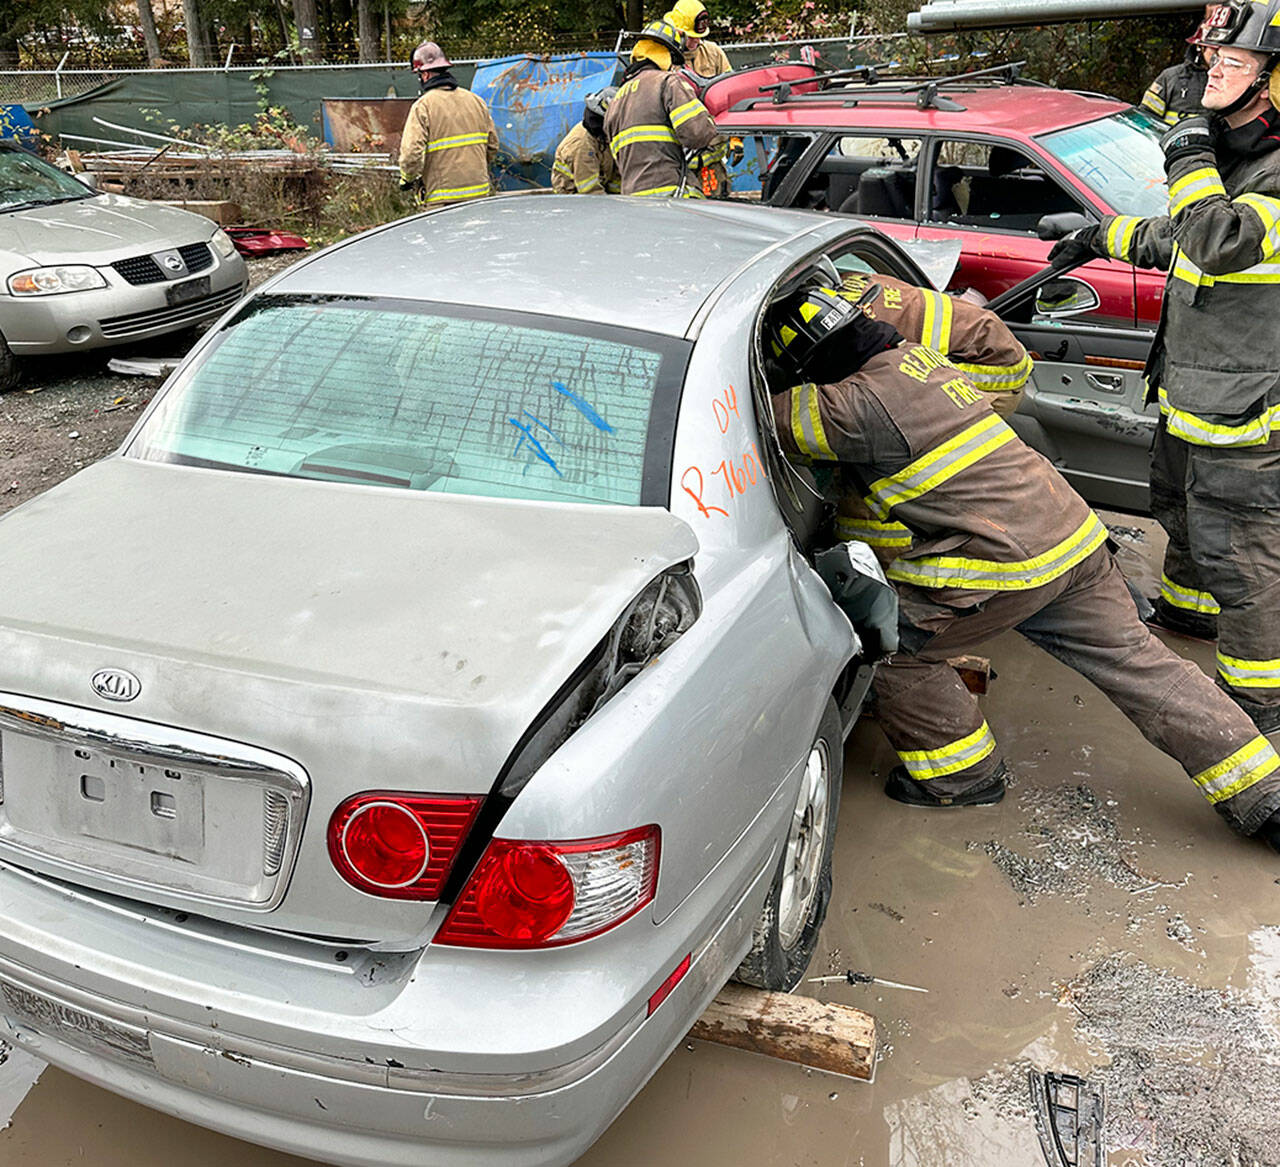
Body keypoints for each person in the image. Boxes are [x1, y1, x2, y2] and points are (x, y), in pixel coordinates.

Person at [767, 280, 1280, 848]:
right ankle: (1264, 794)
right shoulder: (917, 361)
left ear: (817, 364)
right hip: (1076, 538)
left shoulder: (849, 406)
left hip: (1005, 567)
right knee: (1141, 664)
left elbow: (763, 420)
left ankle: (962, 778)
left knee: (891, 653)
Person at [1048, 0, 1280, 728]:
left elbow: (1216, 239)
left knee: (1244, 571)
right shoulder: (1235, 157)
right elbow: (1179, 231)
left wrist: (1187, 143)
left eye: (1234, 61)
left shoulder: (1269, 172)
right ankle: (1186, 618)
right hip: (1192, 400)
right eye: (1212, 57)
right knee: (1181, 521)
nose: (1212, 71)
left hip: (1245, 422)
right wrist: (1100, 233)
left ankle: (1255, 724)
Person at [830, 271, 1033, 558]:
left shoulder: (850, 330)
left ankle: (891, 555)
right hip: (998, 349)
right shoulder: (860, 281)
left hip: (995, 373)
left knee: (896, 456)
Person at [604, 18, 722, 198]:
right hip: (671, 198)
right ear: (666, 54)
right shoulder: (668, 83)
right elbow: (698, 134)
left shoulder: (616, 101)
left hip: (632, 200)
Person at [398, 41, 499, 207]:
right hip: (479, 196)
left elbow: (411, 154)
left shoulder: (423, 106)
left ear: (425, 75)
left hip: (442, 201)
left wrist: (407, 179)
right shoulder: (476, 101)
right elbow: (493, 146)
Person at [1139, 6, 1222, 125]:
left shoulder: (1229, 81)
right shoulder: (1171, 77)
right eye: (1215, 50)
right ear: (1201, 47)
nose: (1219, 57)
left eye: (1223, 51)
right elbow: (1146, 119)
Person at [552, 88, 620, 194]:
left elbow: (616, 178)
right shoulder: (582, 144)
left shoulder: (603, 137)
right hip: (573, 199)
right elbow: (589, 190)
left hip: (599, 195)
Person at [667, 0, 731, 78]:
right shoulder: (664, 58)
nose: (697, 40)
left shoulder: (714, 52)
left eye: (699, 36)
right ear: (676, 31)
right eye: (690, 37)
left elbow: (730, 83)